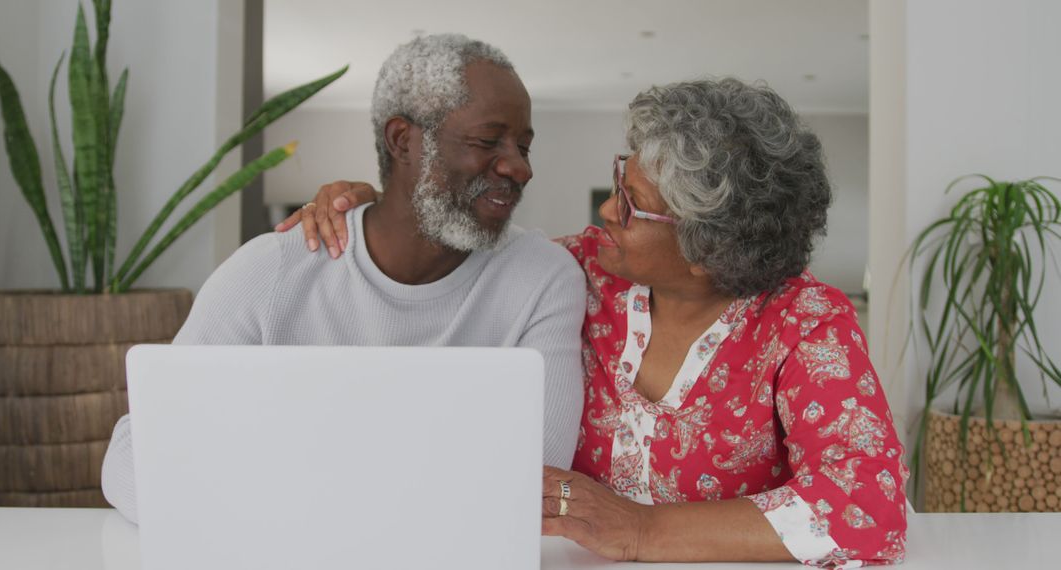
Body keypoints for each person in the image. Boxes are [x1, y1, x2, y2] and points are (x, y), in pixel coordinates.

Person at [286, 78, 908, 566]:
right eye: (620, 178)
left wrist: (641, 530)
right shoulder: (576, 270)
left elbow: (868, 509)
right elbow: (439, 268)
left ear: (709, 249)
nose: (608, 207)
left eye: (633, 205)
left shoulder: (806, 323)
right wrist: (374, 209)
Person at [100, 34, 586, 524]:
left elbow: (538, 482)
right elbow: (130, 459)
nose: (520, 168)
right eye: (487, 141)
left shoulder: (541, 278)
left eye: (523, 146)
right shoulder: (271, 272)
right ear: (403, 140)